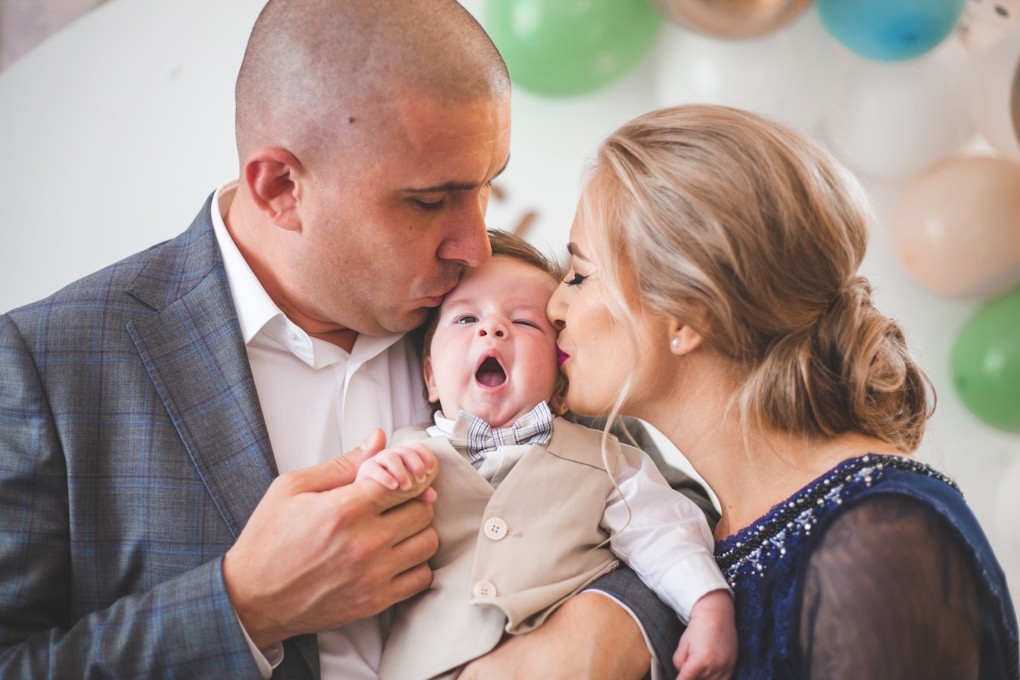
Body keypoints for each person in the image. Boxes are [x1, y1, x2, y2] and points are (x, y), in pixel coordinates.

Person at [0, 1, 701, 678]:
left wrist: (611, 624)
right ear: (279, 187)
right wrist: (242, 608)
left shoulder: (497, 310)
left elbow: (675, 512)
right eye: (429, 201)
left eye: (488, 185)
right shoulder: (48, 365)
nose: (472, 241)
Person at [546, 103, 1020, 679]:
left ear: (689, 314)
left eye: (579, 275)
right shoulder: (696, 535)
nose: (554, 307)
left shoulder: (878, 541)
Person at [356, 230, 736, 680]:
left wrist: (708, 605)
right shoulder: (403, 455)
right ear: (430, 378)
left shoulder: (608, 458)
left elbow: (665, 530)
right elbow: (361, 547)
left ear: (561, 387)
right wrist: (377, 486)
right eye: (464, 320)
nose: (491, 328)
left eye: (524, 322)